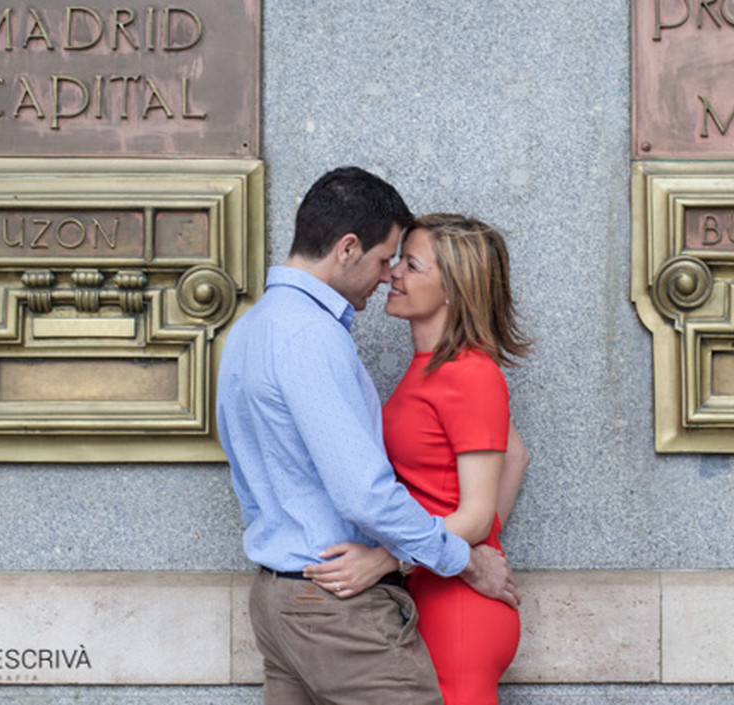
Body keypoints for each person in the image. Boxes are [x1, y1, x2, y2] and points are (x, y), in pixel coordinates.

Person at [216, 168, 518, 705]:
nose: (387, 275)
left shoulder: (252, 328)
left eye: (406, 263)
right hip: (332, 603)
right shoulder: (312, 335)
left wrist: (398, 557)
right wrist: (464, 558)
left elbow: (509, 454)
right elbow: (365, 495)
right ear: (347, 248)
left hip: (282, 596)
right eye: (385, 260)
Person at [304, 213, 531, 705]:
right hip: (435, 589)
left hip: (460, 611)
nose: (393, 274)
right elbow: (515, 455)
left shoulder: (470, 374)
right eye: (398, 261)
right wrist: (476, 545)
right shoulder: (432, 369)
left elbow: (475, 515)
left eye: (412, 265)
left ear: (454, 289)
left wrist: (387, 560)